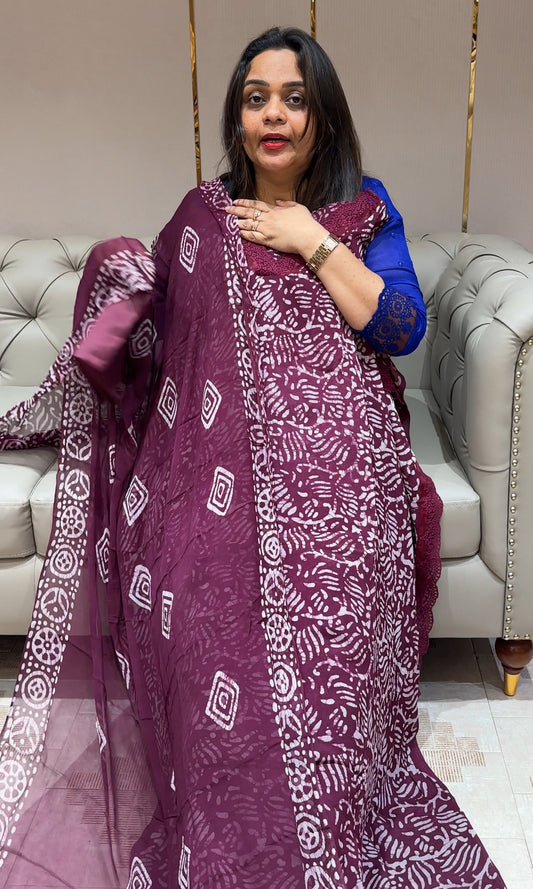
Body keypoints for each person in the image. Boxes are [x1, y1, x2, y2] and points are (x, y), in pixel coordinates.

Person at [0, 25, 506, 889]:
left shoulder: (363, 208)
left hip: (344, 453)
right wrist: (119, 280)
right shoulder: (202, 216)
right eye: (255, 98)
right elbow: (160, 332)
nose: (274, 114)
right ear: (237, 118)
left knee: (337, 573)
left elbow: (399, 327)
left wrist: (309, 237)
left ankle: (327, 801)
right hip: (214, 458)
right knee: (201, 576)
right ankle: (231, 806)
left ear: (321, 116)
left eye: (294, 98)